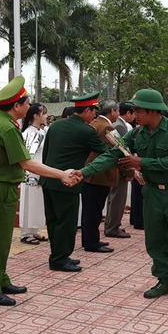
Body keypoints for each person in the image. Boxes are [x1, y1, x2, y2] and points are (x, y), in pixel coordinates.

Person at [76, 89, 168, 301]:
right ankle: (164, 280)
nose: (134, 114)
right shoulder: (136, 134)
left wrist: (141, 163)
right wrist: (83, 172)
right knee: (155, 240)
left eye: (138, 110)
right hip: (152, 193)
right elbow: (113, 154)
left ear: (153, 111)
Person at [0, 76, 76, 306]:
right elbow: (27, 163)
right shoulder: (7, 128)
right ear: (16, 105)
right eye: (27, 103)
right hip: (1, 188)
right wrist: (60, 174)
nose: (30, 107)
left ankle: (0, 278)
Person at [40, 92, 109, 273]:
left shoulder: (56, 126)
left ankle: (59, 255)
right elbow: (105, 151)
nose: (95, 116)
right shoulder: (86, 130)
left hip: (49, 179)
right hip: (67, 181)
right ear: (87, 110)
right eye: (94, 111)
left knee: (54, 221)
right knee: (67, 223)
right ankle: (59, 259)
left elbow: (46, 153)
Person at [81, 99, 125, 251]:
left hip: (91, 173)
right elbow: (119, 149)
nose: (118, 114)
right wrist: (130, 171)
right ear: (112, 111)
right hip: (100, 175)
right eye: (117, 111)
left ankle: (89, 239)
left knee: (90, 210)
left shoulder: (94, 123)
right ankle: (92, 242)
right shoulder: (106, 127)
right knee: (94, 211)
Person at [19, 103, 49, 245]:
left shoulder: (40, 132)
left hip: (39, 171)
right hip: (32, 173)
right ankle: (26, 233)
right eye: (44, 113)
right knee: (29, 202)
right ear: (36, 116)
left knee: (37, 202)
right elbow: (29, 157)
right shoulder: (31, 133)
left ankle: (34, 230)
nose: (46, 116)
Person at [105, 102, 134, 238]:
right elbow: (123, 151)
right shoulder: (120, 126)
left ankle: (111, 225)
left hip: (114, 167)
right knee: (118, 199)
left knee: (114, 198)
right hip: (119, 168)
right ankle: (113, 227)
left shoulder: (118, 125)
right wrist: (128, 171)